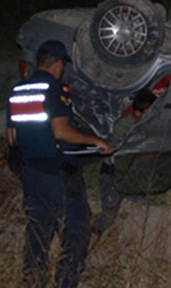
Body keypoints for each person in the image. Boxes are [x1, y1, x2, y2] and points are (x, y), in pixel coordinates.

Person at [6, 40, 112, 288]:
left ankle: (32, 282)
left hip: (31, 171)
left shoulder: (18, 91)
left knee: (38, 231)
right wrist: (97, 141)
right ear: (57, 64)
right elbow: (62, 132)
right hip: (59, 175)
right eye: (63, 64)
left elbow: (12, 137)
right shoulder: (56, 90)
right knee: (75, 231)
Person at [88, 89, 157, 252]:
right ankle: (81, 252)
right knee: (107, 218)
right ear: (141, 112)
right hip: (112, 174)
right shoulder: (125, 126)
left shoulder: (141, 124)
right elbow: (122, 154)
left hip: (123, 173)